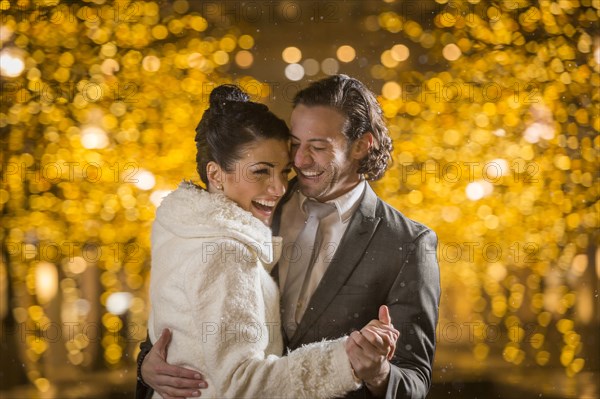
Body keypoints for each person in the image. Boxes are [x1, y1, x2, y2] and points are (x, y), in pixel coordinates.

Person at [137, 75, 441, 398]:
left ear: (361, 145)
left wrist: (379, 373)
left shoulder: (406, 244)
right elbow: (185, 306)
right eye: (295, 144)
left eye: (318, 147)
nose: (298, 161)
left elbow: (415, 380)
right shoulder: (256, 202)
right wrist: (147, 365)